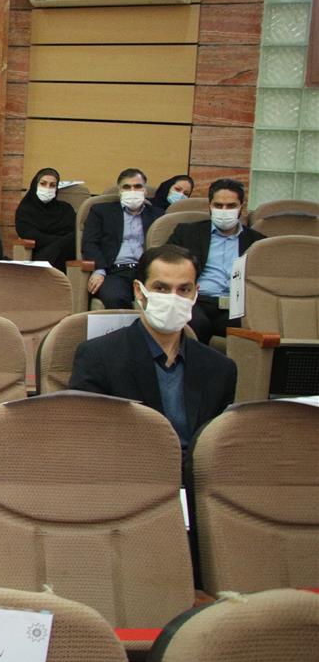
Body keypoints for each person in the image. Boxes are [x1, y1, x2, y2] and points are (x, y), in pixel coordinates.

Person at [68, 244, 237, 456]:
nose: (173, 298)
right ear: (139, 291)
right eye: (161, 288)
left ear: (196, 293)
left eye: (184, 290)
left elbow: (219, 448)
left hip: (195, 472)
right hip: (129, 470)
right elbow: (87, 439)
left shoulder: (221, 368)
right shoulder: (98, 357)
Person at [166, 178, 264, 345]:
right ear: (210, 206)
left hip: (237, 305)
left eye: (231, 206)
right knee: (196, 324)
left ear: (241, 207)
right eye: (218, 205)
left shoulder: (257, 241)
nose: (224, 211)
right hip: (197, 301)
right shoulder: (187, 232)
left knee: (254, 328)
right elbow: (165, 262)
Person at [81, 168, 161, 308]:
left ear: (145, 191)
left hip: (146, 272)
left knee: (160, 299)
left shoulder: (157, 215)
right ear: (119, 191)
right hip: (114, 271)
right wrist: (99, 270)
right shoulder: (101, 211)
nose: (132, 191)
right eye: (127, 187)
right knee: (115, 298)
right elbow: (90, 243)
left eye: (137, 186)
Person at [14, 167, 76, 272]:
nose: (47, 188)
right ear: (35, 185)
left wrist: (57, 242)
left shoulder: (65, 209)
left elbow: (73, 233)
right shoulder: (25, 209)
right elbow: (27, 233)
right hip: (38, 253)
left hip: (66, 254)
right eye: (43, 184)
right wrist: (58, 241)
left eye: (52, 185)